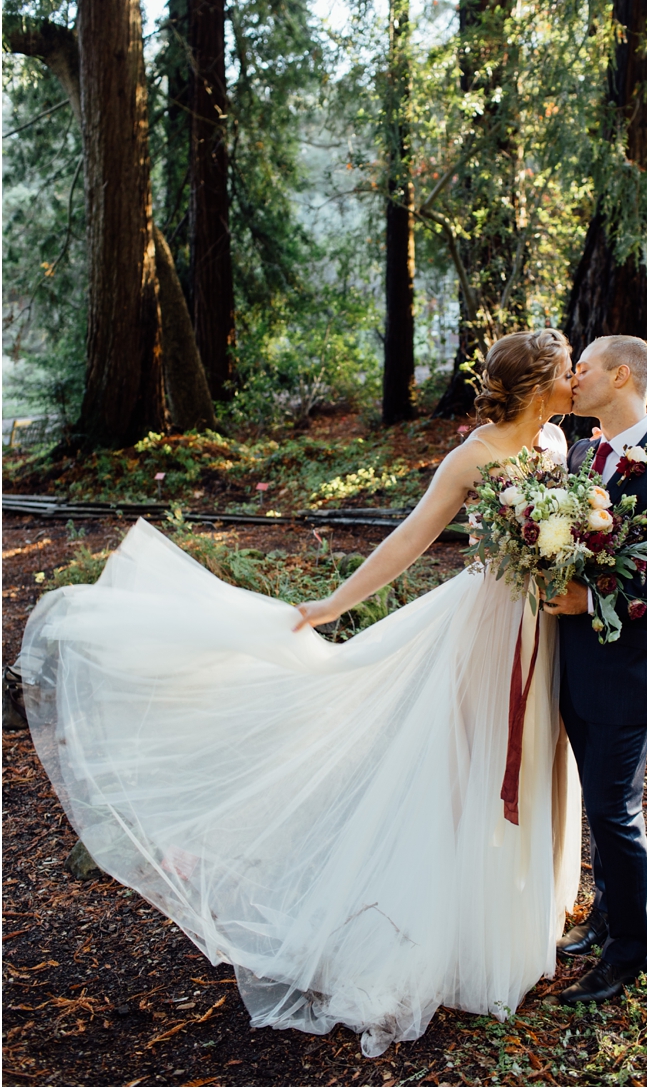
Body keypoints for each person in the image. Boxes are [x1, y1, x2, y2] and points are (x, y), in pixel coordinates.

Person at [17, 329, 581, 1059]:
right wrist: (333, 605)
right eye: (567, 373)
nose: (576, 383)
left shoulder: (560, 449)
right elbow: (409, 540)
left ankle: (521, 917)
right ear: (539, 383)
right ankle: (460, 936)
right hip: (484, 631)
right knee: (472, 769)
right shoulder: (472, 457)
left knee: (535, 760)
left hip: (544, 627)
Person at [542, 335, 647, 1005]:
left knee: (615, 808)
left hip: (629, 669)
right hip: (573, 661)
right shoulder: (583, 454)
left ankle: (629, 949)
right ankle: (608, 915)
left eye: (582, 368)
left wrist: (596, 597)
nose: (572, 379)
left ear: (620, 377)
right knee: (597, 801)